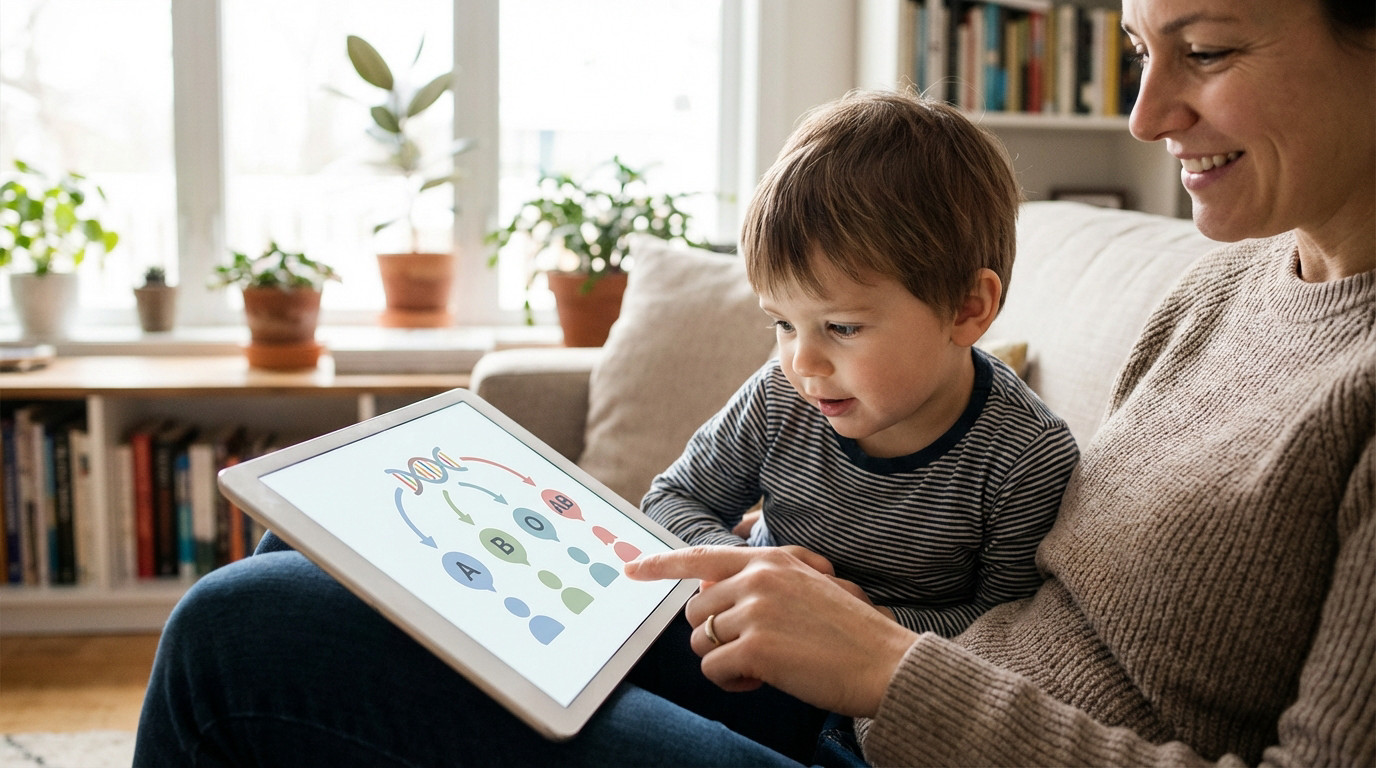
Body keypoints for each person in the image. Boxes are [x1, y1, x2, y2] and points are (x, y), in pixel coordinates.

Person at [133, 0, 1374, 764]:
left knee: (241, 639)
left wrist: (884, 662)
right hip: (864, 706)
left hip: (889, 723)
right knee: (286, 583)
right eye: (1135, 47)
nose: (1148, 113)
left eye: (1202, 50)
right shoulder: (1227, 288)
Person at [624, 92, 1079, 761]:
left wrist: (852, 624)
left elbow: (1008, 630)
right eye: (783, 323)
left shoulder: (1025, 455)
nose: (802, 361)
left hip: (868, 708)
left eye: (841, 327)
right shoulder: (782, 396)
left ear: (967, 308)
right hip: (744, 647)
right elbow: (671, 500)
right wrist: (757, 572)